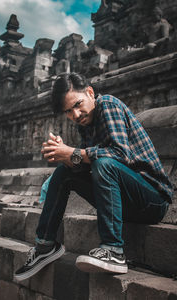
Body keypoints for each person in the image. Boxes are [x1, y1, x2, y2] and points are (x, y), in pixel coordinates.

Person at [14, 72, 173, 281]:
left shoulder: (108, 105)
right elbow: (83, 163)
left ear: (90, 92)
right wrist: (64, 156)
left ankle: (114, 251)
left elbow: (120, 154)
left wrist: (74, 153)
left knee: (104, 163)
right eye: (69, 112)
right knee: (65, 172)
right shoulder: (86, 126)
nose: (76, 114)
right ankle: (45, 245)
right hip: (126, 205)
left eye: (78, 104)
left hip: (153, 200)